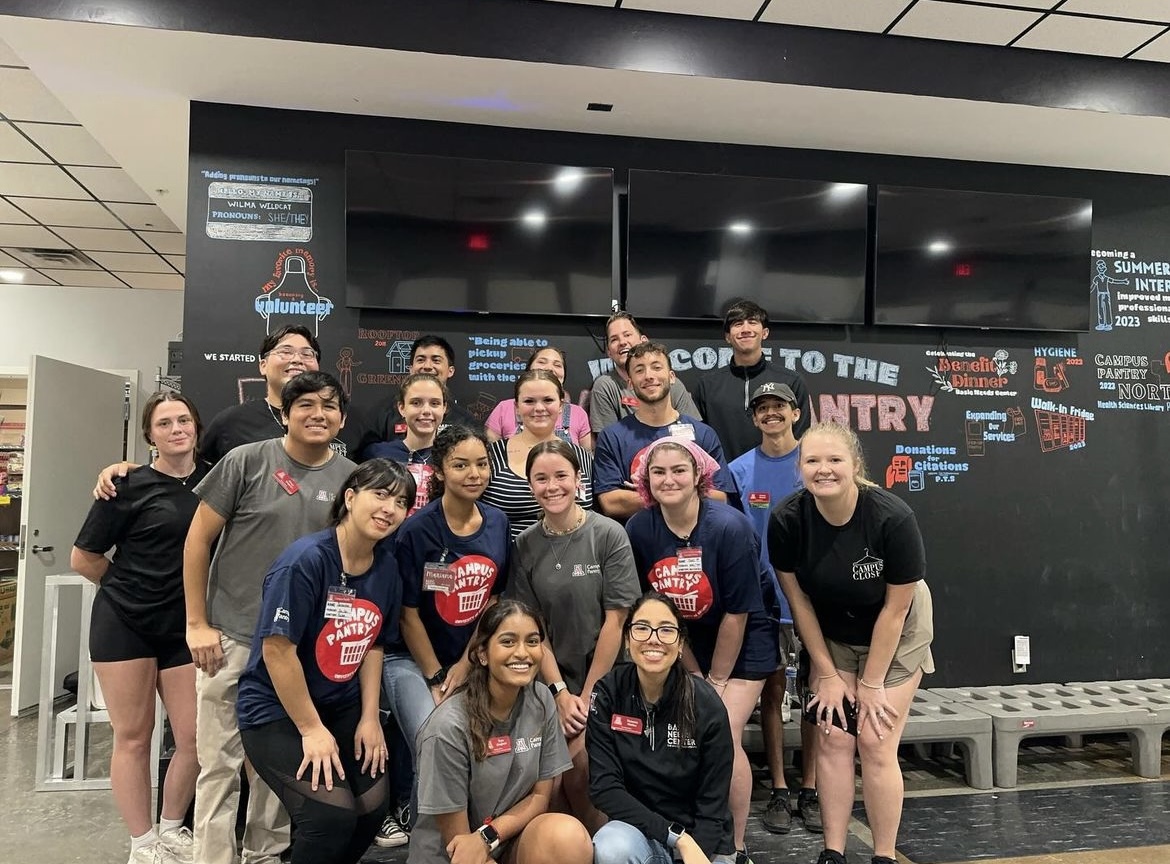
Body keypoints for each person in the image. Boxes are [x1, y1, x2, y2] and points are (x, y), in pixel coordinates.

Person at [183, 371, 357, 864]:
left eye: (328, 406)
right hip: (233, 636)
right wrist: (197, 623)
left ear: (341, 418)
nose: (317, 414)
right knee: (218, 764)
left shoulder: (351, 477)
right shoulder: (246, 461)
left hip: (299, 651)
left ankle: (265, 855)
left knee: (276, 766)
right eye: (304, 404)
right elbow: (197, 541)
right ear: (284, 411)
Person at [767, 422, 934, 864]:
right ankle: (833, 853)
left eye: (835, 460)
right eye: (812, 461)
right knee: (833, 738)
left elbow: (896, 610)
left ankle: (883, 855)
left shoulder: (892, 518)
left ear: (855, 466)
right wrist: (824, 672)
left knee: (875, 740)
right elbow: (798, 602)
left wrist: (873, 682)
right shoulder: (787, 520)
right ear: (799, 468)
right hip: (833, 632)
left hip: (897, 633)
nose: (824, 470)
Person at [236, 460, 416, 864]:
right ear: (350, 498)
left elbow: (372, 645)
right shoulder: (304, 561)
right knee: (328, 819)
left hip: (341, 704)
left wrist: (371, 717)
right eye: (380, 494)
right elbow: (277, 650)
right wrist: (311, 729)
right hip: (277, 711)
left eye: (402, 502)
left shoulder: (386, 566)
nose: (390, 508)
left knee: (370, 811)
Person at [625, 436, 780, 862]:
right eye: (659, 472)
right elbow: (662, 613)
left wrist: (713, 681)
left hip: (743, 643)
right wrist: (692, 672)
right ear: (645, 480)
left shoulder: (730, 527)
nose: (669, 479)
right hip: (684, 643)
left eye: (679, 470)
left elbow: (738, 613)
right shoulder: (640, 529)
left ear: (699, 476)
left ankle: (736, 847)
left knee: (721, 733)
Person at [71, 392, 209, 864]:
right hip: (124, 624)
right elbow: (83, 557)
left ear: (196, 426)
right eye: (165, 422)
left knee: (193, 738)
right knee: (134, 736)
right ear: (150, 434)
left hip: (185, 629)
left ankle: (171, 827)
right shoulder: (125, 485)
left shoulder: (216, 481)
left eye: (184, 420)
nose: (177, 429)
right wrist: (127, 590)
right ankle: (142, 843)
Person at [376, 425, 512, 848]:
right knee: (431, 733)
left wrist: (467, 660)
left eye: (481, 464)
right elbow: (408, 615)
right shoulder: (418, 531)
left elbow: (492, 598)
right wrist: (437, 677)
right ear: (439, 470)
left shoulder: (498, 523)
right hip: (411, 660)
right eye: (460, 465)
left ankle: (471, 835)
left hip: (468, 658)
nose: (474, 473)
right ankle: (429, 846)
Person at [508, 438, 640, 828]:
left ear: (578, 478)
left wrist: (586, 697)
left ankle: (600, 844)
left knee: (579, 763)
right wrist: (560, 693)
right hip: (548, 683)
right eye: (541, 478)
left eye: (561, 475)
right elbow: (534, 634)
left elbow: (616, 621)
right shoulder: (525, 544)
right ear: (530, 484)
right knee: (544, 769)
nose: (552, 487)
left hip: (608, 682)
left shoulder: (609, 534)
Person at [407, 599, 592, 864]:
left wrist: (488, 836)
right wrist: (479, 843)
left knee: (567, 836)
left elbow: (541, 798)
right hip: (453, 853)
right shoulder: (447, 727)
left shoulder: (541, 700)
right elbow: (459, 844)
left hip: (501, 841)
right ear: (482, 653)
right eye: (508, 642)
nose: (522, 653)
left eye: (532, 641)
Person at [93, 325, 361, 498]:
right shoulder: (231, 423)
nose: (297, 359)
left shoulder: (345, 422)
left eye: (307, 354)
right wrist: (134, 471)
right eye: (286, 351)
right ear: (263, 365)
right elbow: (186, 471)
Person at [727, 382, 820, 835]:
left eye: (778, 406)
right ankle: (780, 790)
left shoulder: (816, 465)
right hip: (765, 604)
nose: (771, 414)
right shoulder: (739, 471)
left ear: (795, 412)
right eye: (762, 408)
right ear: (754, 418)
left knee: (818, 702)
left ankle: (812, 788)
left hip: (816, 603)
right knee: (771, 695)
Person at [589, 592, 735, 864]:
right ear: (627, 640)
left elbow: (713, 806)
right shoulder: (608, 694)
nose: (653, 638)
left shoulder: (707, 705)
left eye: (666, 630)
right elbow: (604, 788)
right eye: (642, 628)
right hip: (642, 831)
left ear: (680, 645)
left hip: (703, 840)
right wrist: (674, 836)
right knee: (610, 848)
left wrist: (692, 848)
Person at [594, 342, 734, 521]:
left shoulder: (702, 434)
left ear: (672, 376)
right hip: (637, 544)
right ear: (630, 383)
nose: (649, 376)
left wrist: (647, 494)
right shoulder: (612, 437)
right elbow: (611, 503)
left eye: (656, 367)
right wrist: (681, 491)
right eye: (639, 370)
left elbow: (720, 497)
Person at [693, 300, 811, 461]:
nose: (746, 329)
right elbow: (699, 441)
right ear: (728, 337)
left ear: (765, 332)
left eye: (753, 322)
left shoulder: (791, 381)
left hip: (782, 476)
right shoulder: (707, 385)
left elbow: (802, 437)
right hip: (723, 481)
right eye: (738, 324)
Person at [482, 370, 594, 539]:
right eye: (529, 401)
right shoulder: (493, 455)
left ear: (561, 405)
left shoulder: (581, 456)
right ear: (517, 407)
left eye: (548, 400)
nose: (539, 408)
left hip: (574, 558)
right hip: (509, 559)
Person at [363, 335, 484, 455]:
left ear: (450, 370)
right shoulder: (383, 413)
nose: (427, 366)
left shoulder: (464, 420)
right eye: (420, 360)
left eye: (436, 360)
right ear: (411, 369)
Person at [588, 312, 700, 435]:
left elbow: (694, 433)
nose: (622, 342)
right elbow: (610, 442)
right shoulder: (605, 386)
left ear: (643, 341)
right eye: (614, 339)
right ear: (609, 352)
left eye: (627, 335)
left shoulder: (670, 383)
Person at [363, 372, 448, 514]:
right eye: (416, 403)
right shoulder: (376, 454)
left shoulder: (451, 457)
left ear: (444, 408)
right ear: (401, 408)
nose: (426, 411)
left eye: (435, 403)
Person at [485, 347, 593, 450]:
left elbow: (587, 460)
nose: (550, 368)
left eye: (557, 365)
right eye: (542, 362)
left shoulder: (578, 414)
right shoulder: (504, 409)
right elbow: (490, 456)